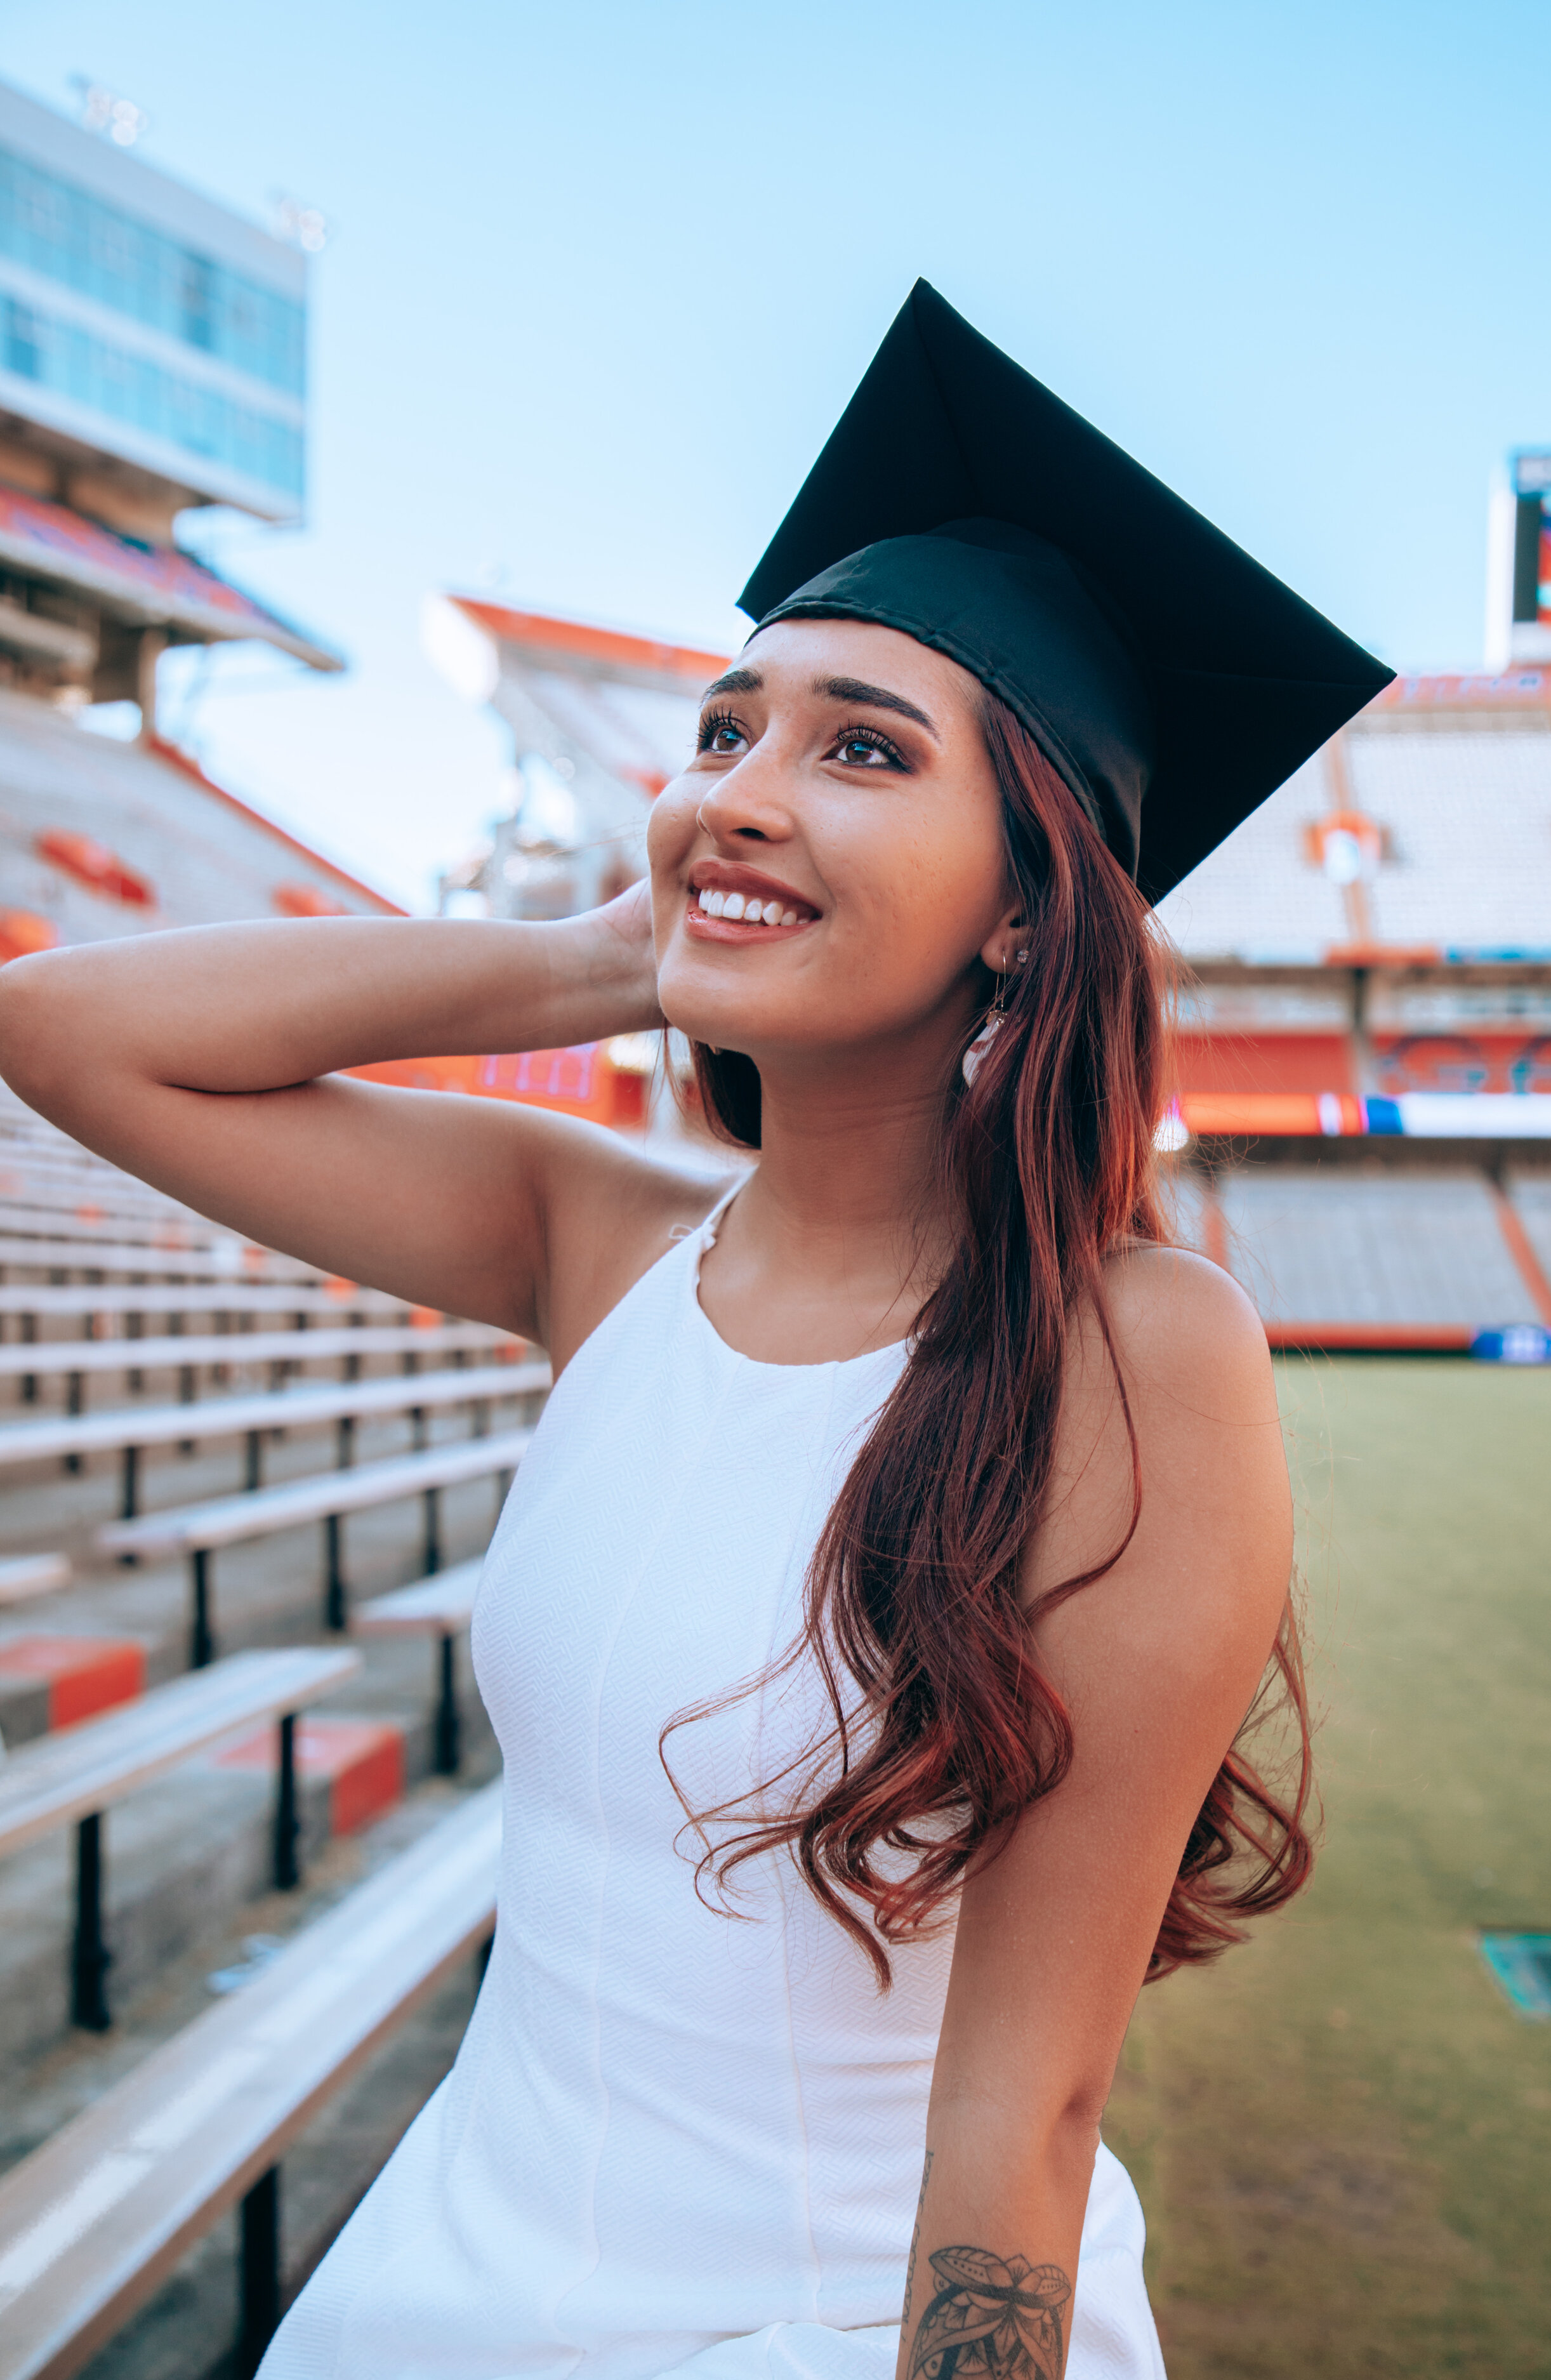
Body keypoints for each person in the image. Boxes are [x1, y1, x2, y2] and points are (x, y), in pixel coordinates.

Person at [0, 284, 1390, 2380]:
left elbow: (1023, 2119)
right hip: (435, 2288)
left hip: (803, 2328)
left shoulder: (1136, 1351)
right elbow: (63, 1028)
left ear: (1024, 903)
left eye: (859, 750)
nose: (742, 786)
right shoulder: (596, 1234)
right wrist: (607, 956)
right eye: (723, 733)